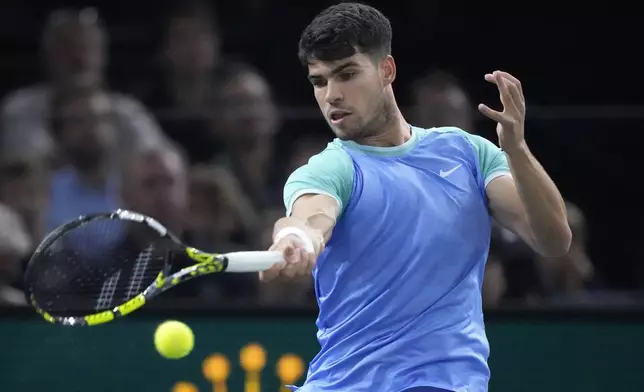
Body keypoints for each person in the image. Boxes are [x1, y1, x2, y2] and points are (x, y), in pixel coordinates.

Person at [262, 3, 572, 392]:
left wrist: (518, 150)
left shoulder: (469, 154)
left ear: (386, 70)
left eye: (347, 74)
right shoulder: (328, 169)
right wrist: (296, 238)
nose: (332, 95)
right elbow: (309, 217)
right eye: (319, 81)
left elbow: (554, 239)